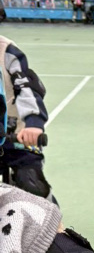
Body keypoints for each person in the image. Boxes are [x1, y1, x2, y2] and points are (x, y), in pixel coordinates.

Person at [0, 17, 54, 198]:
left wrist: (34, 123)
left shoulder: (7, 51)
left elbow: (26, 88)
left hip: (16, 135)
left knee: (32, 184)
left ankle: (51, 216)